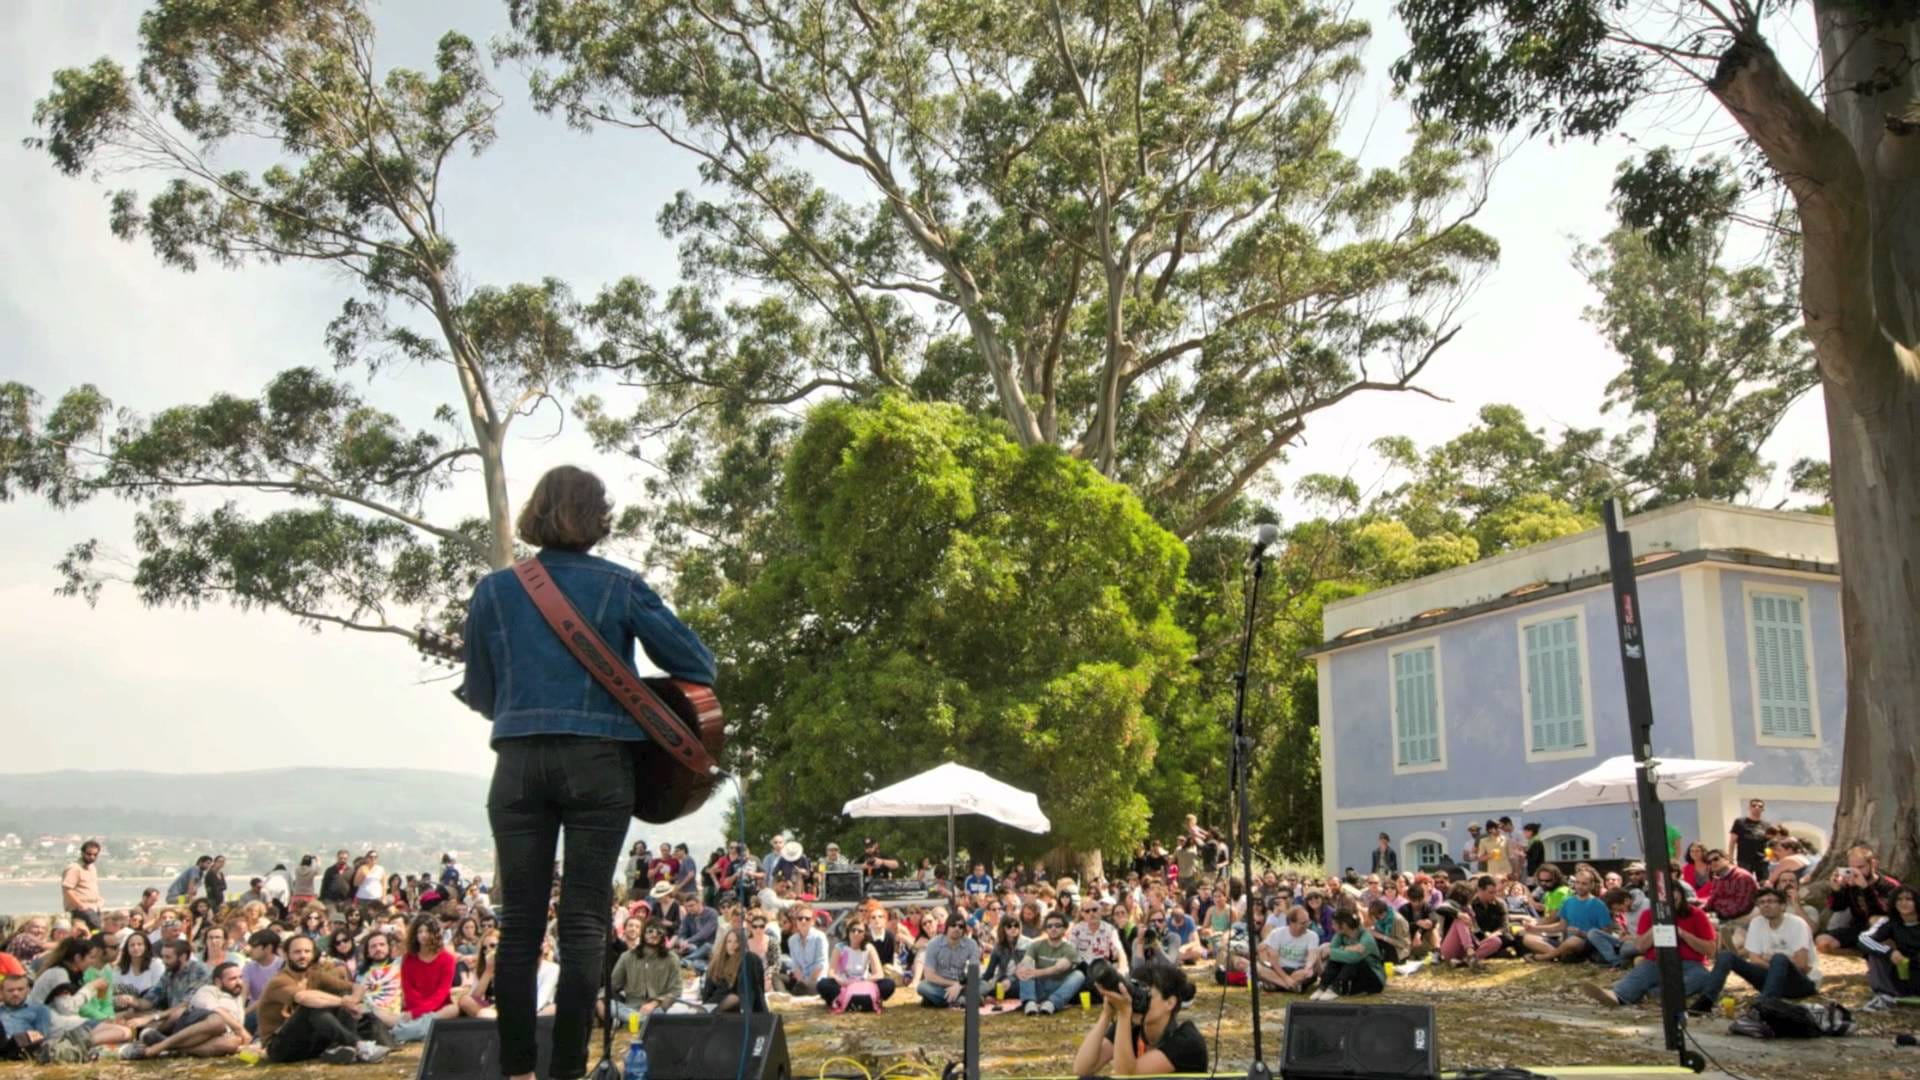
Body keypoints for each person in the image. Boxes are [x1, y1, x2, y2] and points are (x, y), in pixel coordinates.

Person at [460, 466, 716, 1080]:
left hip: (518, 764)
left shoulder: (493, 592)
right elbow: (697, 664)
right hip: (598, 763)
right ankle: (567, 1071)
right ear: (599, 518)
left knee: (518, 926)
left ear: (536, 511)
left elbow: (481, 694)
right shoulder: (620, 585)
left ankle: (517, 1071)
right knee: (582, 923)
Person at [257, 935, 386, 1064]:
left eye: (307, 951)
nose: (303, 956)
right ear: (286, 955)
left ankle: (345, 1048)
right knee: (312, 1006)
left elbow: (356, 987)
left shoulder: (314, 975)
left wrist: (353, 1000)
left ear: (313, 954)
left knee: (344, 995)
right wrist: (343, 1002)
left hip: (308, 1043)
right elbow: (303, 998)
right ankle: (359, 1045)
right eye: (297, 952)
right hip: (279, 1048)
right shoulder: (279, 981)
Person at [1687, 887, 1819, 1013]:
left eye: (1771, 901)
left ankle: (1765, 1005)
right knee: (1726, 956)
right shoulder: (1757, 923)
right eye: (1762, 902)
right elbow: (1754, 959)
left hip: (1800, 983)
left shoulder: (1797, 924)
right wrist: (1775, 966)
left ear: (1783, 906)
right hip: (1769, 980)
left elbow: (1801, 965)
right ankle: (1706, 1000)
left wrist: (1774, 961)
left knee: (1779, 958)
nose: (1766, 905)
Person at [1581, 891, 1717, 1006]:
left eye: (1674, 900)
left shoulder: (1696, 914)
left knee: (1702, 977)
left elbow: (1710, 950)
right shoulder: (1648, 914)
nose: (1670, 904)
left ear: (1681, 897)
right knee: (1642, 973)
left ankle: (1655, 995)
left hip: (1690, 963)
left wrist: (1683, 934)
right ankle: (1618, 995)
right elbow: (1640, 947)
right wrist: (1656, 927)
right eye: (1665, 901)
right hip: (1657, 960)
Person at [1071, 960, 1206, 1076]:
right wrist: (1106, 1014)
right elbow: (1082, 1069)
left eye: (1145, 996)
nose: (1135, 1002)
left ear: (1170, 1003)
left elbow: (1127, 1075)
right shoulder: (1131, 1027)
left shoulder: (1187, 1041)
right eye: (1134, 993)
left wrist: (1124, 1013)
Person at [120, 961, 249, 1060]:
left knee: (232, 1044)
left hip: (213, 1037)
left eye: (240, 977)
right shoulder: (209, 990)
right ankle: (153, 1050)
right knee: (218, 1022)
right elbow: (214, 1010)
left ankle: (167, 1046)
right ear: (218, 982)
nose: (239, 982)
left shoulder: (237, 999)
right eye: (233, 979)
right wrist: (240, 1029)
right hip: (196, 1025)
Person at [1817, 843, 1902, 955]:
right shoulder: (1851, 884)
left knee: (1875, 919)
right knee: (1822, 942)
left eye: (1861, 867)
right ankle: (1862, 952)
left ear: (1873, 864)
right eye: (1852, 868)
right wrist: (1836, 890)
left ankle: (1880, 952)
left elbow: (1881, 912)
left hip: (1884, 930)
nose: (1857, 872)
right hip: (1859, 928)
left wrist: (1866, 888)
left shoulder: (1889, 885)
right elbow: (1838, 907)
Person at [1521, 870, 1611, 962]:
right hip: (1566, 942)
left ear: (1591, 885)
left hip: (1586, 943)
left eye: (1584, 884)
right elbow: (1561, 926)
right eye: (1577, 882)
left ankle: (1543, 957)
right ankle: (1561, 955)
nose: (1579, 886)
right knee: (1528, 938)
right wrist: (1535, 929)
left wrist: (1582, 933)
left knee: (1574, 940)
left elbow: (1606, 933)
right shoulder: (1568, 902)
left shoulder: (1599, 905)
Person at [395, 915, 458, 1042]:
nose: (424, 935)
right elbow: (409, 991)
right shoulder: (408, 959)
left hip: (439, 1009)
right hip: (414, 1007)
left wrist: (418, 1013)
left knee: (453, 1009)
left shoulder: (447, 959)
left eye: (428, 931)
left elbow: (441, 993)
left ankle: (408, 1031)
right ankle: (421, 1029)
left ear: (435, 934)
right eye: (420, 931)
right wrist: (417, 1011)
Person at [1860, 885, 1920, 1011]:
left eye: (1909, 899)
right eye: (1899, 899)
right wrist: (1889, 952)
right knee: (1876, 952)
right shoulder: (1889, 922)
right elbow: (1864, 939)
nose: (1904, 903)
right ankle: (1884, 996)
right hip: (1904, 974)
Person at [608, 922, 682, 1024]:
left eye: (659, 932)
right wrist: (600, 999)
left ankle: (639, 1021)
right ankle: (642, 1021)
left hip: (659, 1007)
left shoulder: (671, 958)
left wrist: (654, 1003)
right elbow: (613, 984)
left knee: (672, 1010)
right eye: (650, 931)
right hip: (631, 1007)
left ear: (663, 936)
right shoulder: (627, 957)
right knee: (609, 1004)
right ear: (643, 934)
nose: (654, 935)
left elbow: (676, 990)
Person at [816, 921, 894, 1010]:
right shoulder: (839, 947)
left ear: (864, 934)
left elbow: (879, 974)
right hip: (843, 984)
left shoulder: (869, 948)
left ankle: (865, 1000)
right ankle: (841, 1000)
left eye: (860, 931)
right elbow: (831, 973)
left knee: (888, 984)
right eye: (853, 930)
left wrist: (863, 981)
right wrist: (843, 982)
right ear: (848, 932)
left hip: (864, 983)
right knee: (823, 984)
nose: (855, 933)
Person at [916, 917, 980, 1008]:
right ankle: (959, 1000)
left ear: (964, 930)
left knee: (984, 985)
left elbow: (974, 971)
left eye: (961, 926)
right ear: (946, 927)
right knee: (922, 987)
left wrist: (960, 985)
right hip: (939, 984)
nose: (957, 928)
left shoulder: (971, 944)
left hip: (962, 983)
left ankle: (938, 1000)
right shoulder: (934, 944)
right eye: (953, 925)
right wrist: (954, 984)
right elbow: (929, 975)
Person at [699, 930, 766, 1014]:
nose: (732, 945)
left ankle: (710, 1015)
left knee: (733, 998)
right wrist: (705, 1004)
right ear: (725, 944)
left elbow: (748, 989)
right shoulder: (716, 963)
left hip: (735, 1004)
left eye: (736, 941)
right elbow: (708, 989)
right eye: (729, 941)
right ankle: (707, 1014)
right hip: (715, 1002)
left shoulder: (746, 960)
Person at [1257, 905, 1319, 994]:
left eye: (1308, 922)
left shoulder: (1312, 936)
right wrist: (1286, 978)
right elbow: (1273, 961)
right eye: (1303, 923)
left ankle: (1276, 985)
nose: (1307, 925)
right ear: (1292, 923)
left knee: (1307, 973)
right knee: (1257, 968)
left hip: (1299, 970)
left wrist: (1308, 967)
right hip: (1279, 969)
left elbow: (1312, 955)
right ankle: (1290, 986)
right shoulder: (1277, 933)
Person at [0, 974, 53, 1061]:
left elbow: (41, 1037)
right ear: (2, 992)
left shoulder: (39, 1010)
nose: (15, 994)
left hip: (21, 1051)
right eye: (10, 990)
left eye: (20, 989)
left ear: (28, 990)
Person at [781, 906, 828, 997]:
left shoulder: (820, 937)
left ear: (813, 921)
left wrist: (808, 982)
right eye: (800, 918)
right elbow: (795, 965)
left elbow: (820, 964)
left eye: (807, 919)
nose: (803, 921)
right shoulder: (792, 940)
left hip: (817, 980)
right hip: (801, 980)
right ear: (796, 921)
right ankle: (785, 997)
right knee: (777, 977)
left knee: (799, 990)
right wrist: (801, 981)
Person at [61, 841, 104, 933]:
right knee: (97, 929)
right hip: (80, 909)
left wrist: (100, 900)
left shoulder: (92, 868)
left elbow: (90, 887)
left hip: (94, 907)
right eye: (89, 854)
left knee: (96, 932)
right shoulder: (74, 868)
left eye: (95, 855)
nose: (92, 857)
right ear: (82, 853)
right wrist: (81, 905)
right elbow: (67, 889)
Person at [1728, 798, 1770, 880]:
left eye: (1760, 806)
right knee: (1744, 882)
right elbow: (1732, 842)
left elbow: (1769, 844)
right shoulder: (1740, 822)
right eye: (1754, 805)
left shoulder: (1767, 825)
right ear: (1749, 808)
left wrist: (1769, 857)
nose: (1757, 807)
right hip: (1744, 860)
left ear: (1763, 809)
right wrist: (1730, 859)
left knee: (1764, 883)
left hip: (1761, 860)